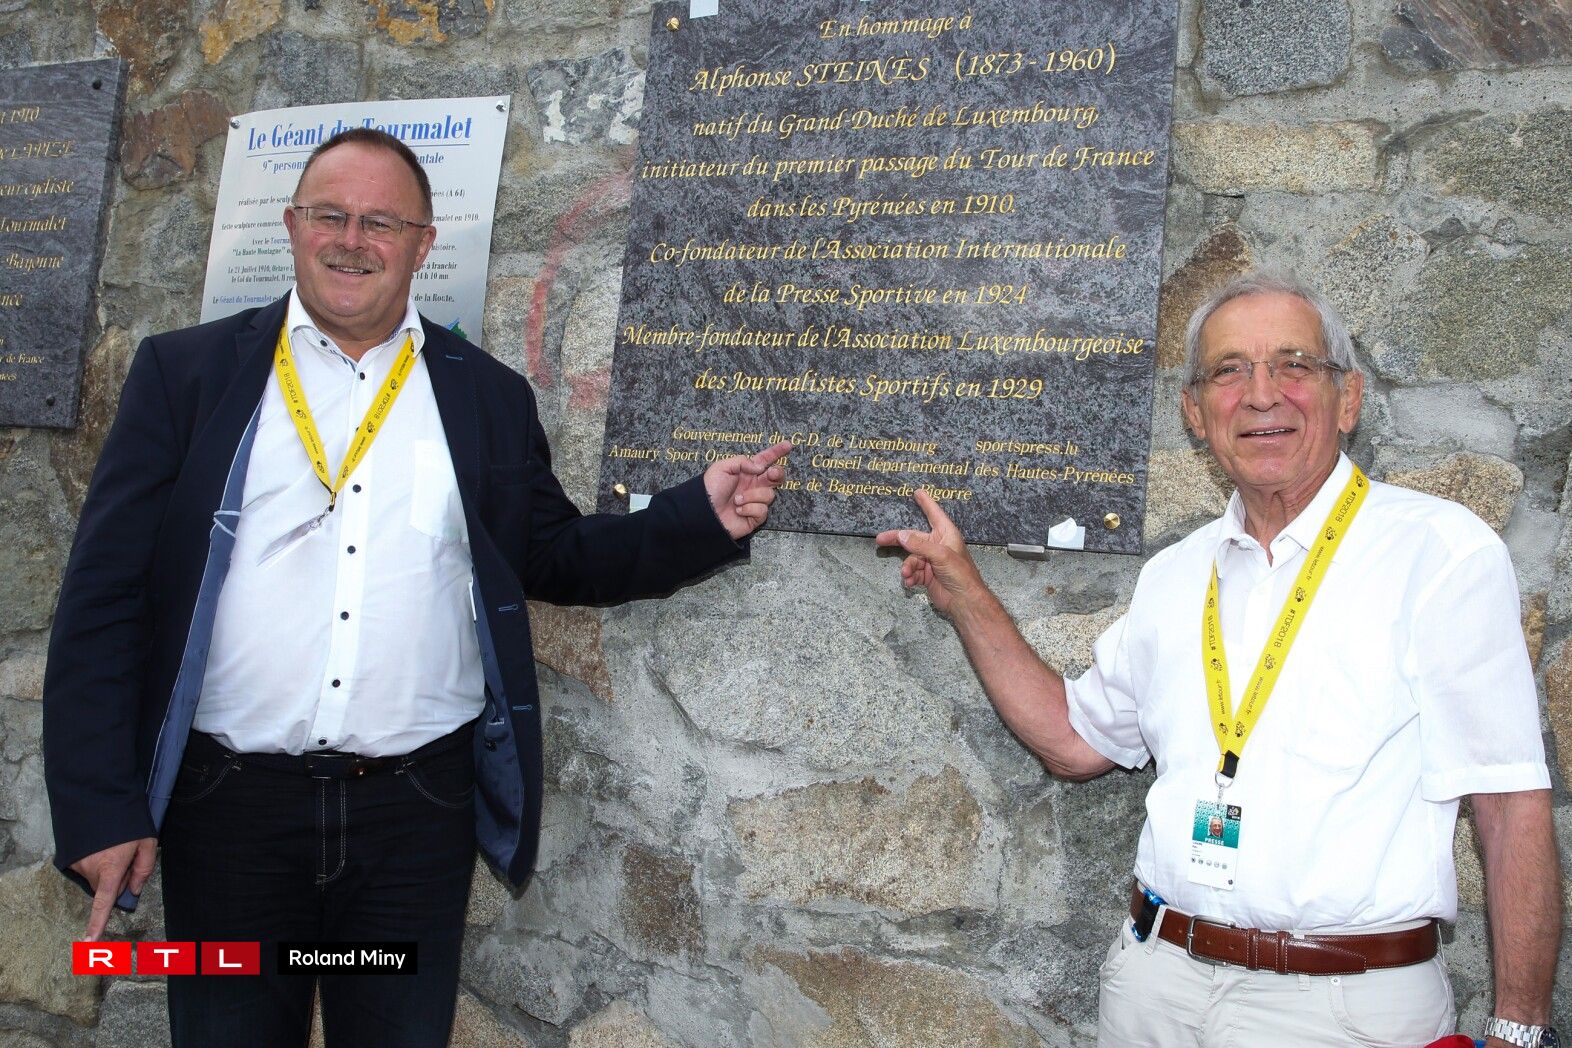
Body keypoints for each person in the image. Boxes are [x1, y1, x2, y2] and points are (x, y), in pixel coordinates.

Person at [43, 127, 790, 1047]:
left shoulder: (487, 395)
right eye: (331, 214)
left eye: (383, 222)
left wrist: (696, 519)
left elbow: (551, 554)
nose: (352, 239)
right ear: (292, 224)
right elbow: (103, 601)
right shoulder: (186, 373)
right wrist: (99, 806)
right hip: (228, 817)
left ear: (424, 242)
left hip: (411, 822)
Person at [877, 272, 1560, 1048]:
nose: (1262, 394)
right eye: (1229, 370)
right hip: (1155, 987)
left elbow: (1510, 805)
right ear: (1195, 414)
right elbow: (1074, 741)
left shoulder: (1439, 554)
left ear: (1349, 399)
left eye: (1294, 364)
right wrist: (967, 594)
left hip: (1342, 1009)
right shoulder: (1175, 576)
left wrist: (1519, 1030)